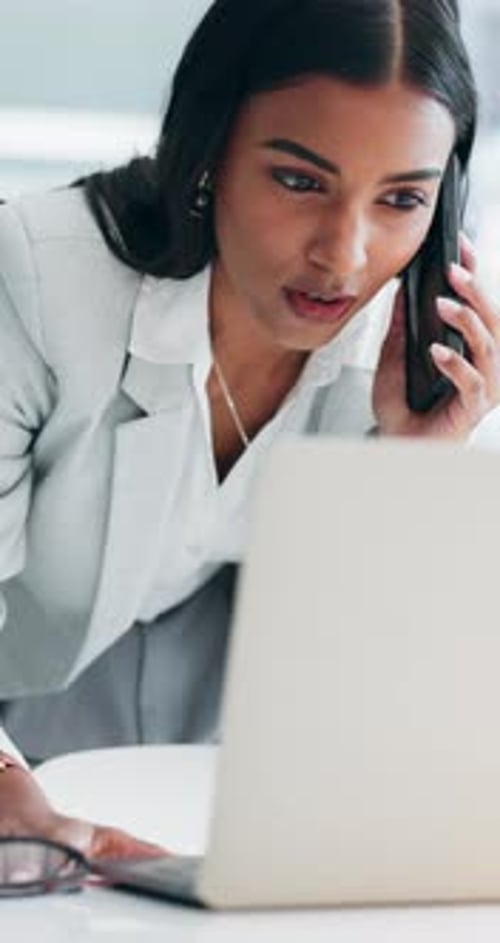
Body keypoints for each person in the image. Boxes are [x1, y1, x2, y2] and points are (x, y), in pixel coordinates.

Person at [0, 0, 499, 860]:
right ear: (211, 150)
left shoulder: (399, 351)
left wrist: (412, 471)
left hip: (200, 761)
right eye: (301, 181)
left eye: (402, 199)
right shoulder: (37, 281)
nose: (344, 256)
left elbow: (378, 707)